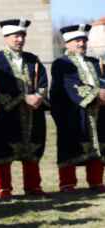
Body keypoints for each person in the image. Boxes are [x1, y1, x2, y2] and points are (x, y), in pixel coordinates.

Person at [0, 19, 49, 199]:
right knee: (4, 150)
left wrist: (39, 96)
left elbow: (43, 82)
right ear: (6, 37)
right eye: (16, 36)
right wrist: (22, 97)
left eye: (22, 36)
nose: (19, 40)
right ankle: (3, 188)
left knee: (32, 149)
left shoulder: (32, 59)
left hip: (32, 113)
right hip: (6, 114)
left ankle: (33, 186)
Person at [50, 24, 105, 193]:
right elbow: (71, 84)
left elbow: (101, 80)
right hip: (71, 112)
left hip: (97, 111)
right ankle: (67, 183)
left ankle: (96, 181)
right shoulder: (61, 63)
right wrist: (97, 94)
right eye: (77, 41)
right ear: (67, 43)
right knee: (70, 146)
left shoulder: (95, 62)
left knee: (98, 144)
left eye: (84, 40)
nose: (82, 44)